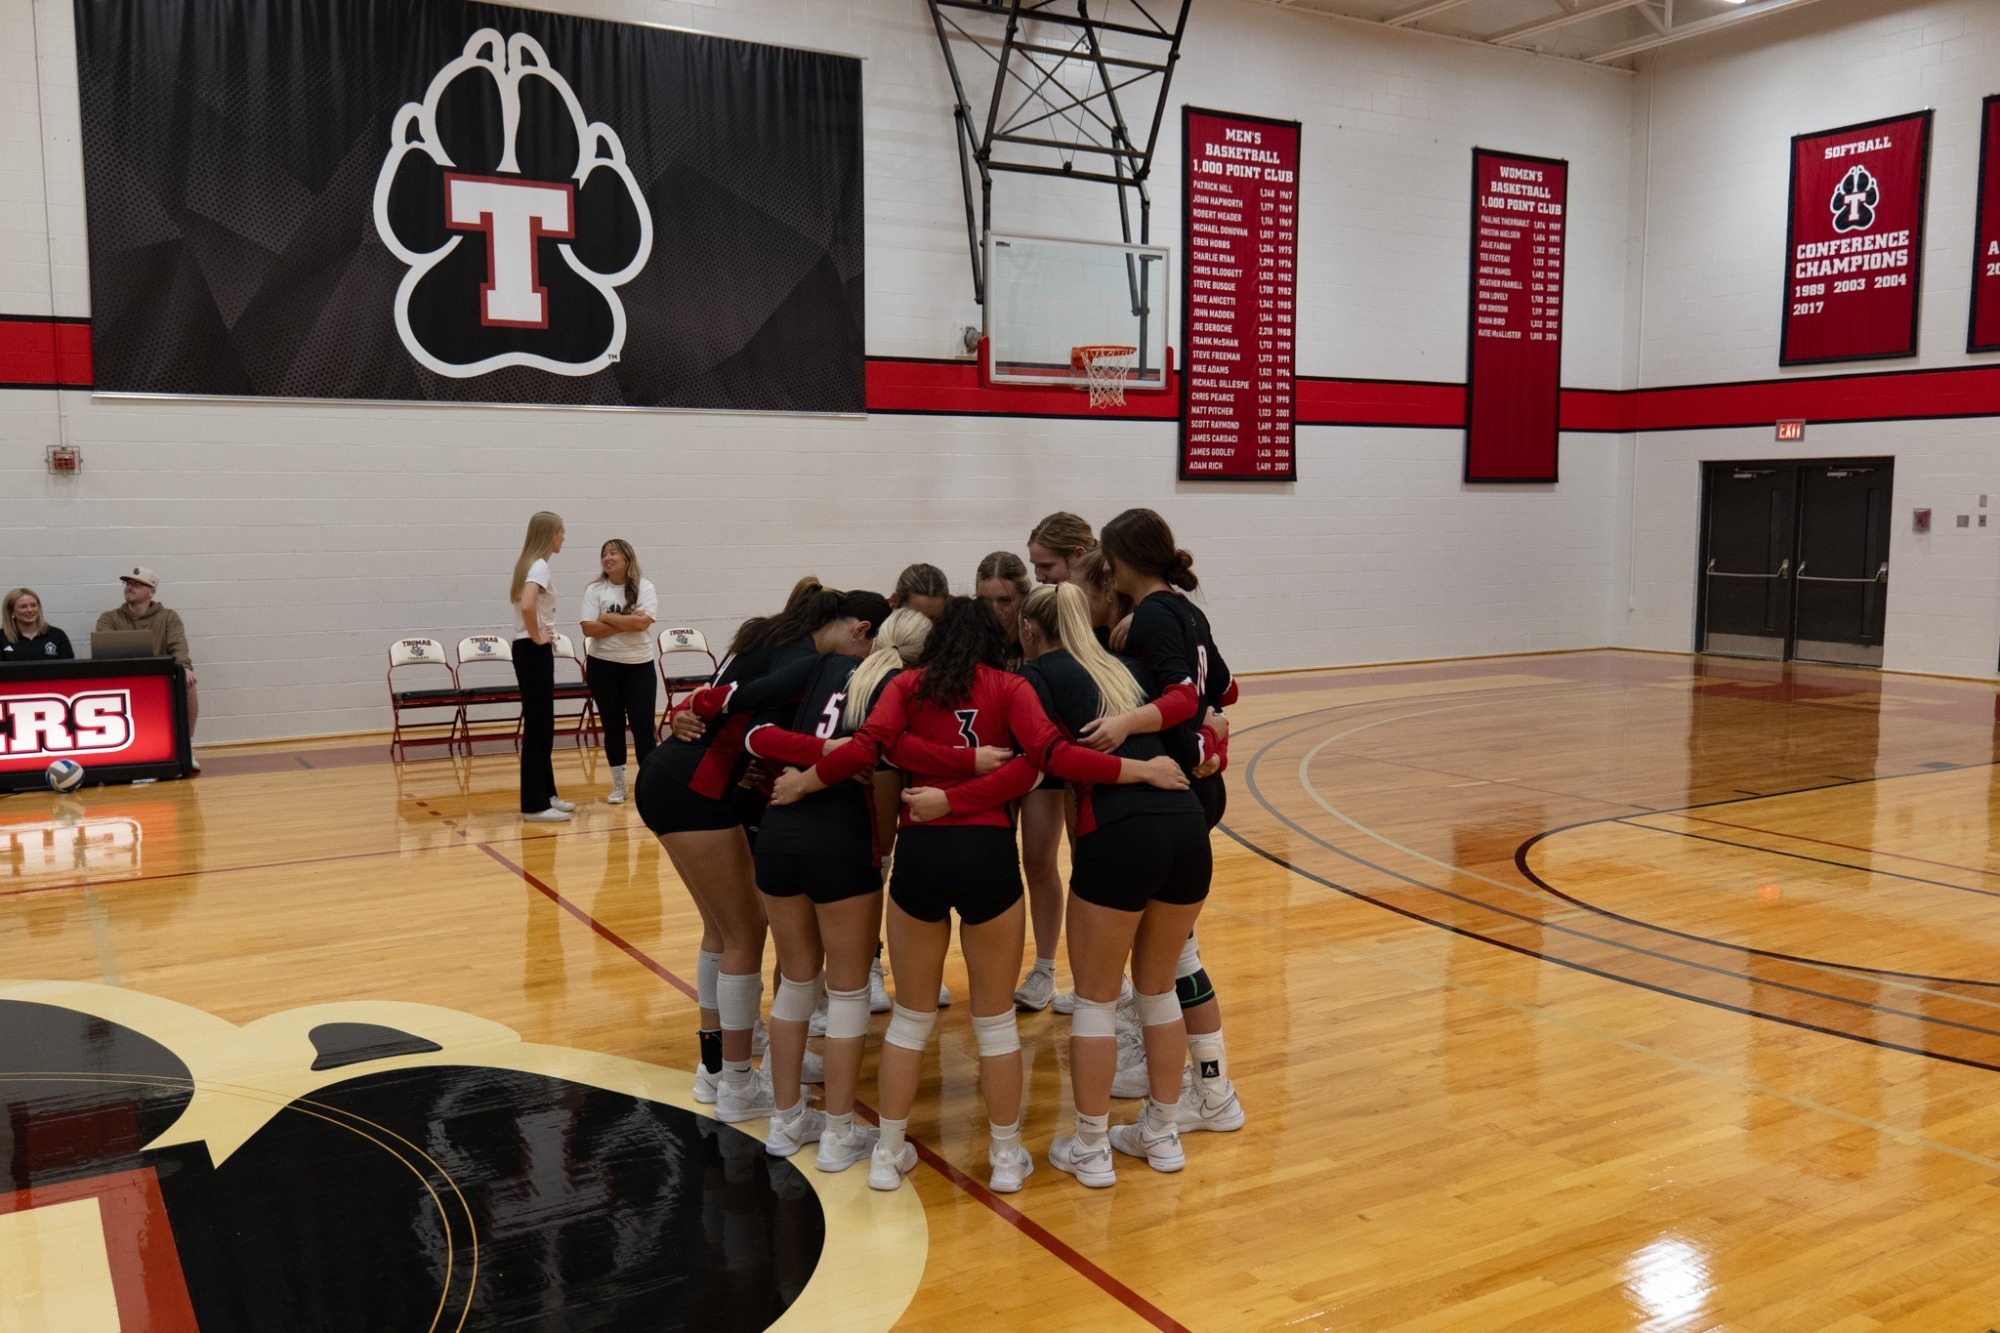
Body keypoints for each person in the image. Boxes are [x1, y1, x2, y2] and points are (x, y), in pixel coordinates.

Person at [771, 596, 1188, 1195]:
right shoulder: (1011, 687)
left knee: (910, 1019)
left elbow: (869, 748)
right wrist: (1141, 770)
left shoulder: (908, 685)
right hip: (988, 854)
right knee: (994, 1024)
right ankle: (1005, 1155)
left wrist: (809, 779)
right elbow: (1048, 761)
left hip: (920, 853)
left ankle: (887, 1153)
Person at [1014, 581, 1210, 1186]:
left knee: (1097, 1000)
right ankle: (1162, 1131)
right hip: (1188, 829)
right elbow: (1194, 716)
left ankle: (1093, 1147)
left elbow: (1053, 758)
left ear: (1029, 627)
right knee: (1158, 991)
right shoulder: (1129, 670)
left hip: (1119, 833)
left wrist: (1134, 769)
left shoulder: (1035, 676)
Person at [637, 584, 840, 1121]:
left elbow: (720, 700)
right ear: (844, 625)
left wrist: (688, 707)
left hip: (680, 778)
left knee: (722, 932)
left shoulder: (763, 634)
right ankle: (738, 1084)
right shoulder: (800, 660)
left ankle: (717, 1071)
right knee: (746, 932)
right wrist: (834, 752)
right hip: (695, 786)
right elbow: (748, 717)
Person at [1084, 508, 1245, 1135]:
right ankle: (1207, 1088)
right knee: (1177, 954)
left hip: (1176, 786)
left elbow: (1184, 693)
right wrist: (1207, 722)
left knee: (1175, 960)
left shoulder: (1153, 613)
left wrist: (1130, 720)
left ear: (1117, 561)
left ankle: (1210, 1093)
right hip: (1199, 785)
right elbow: (1224, 690)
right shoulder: (1187, 610)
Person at [1014, 513, 1098, 1013]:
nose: (1039, 576)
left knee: (1092, 869)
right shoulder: (1034, 622)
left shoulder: (1108, 614)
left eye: (1046, 565)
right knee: (1039, 860)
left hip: (1086, 762)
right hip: (1049, 761)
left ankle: (1109, 981)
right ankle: (1047, 969)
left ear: (1078, 557)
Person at [579, 539, 658, 805]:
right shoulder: (595, 590)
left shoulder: (645, 587)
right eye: (604, 553)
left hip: (639, 667)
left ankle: (649, 784)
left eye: (613, 553)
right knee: (612, 726)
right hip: (603, 666)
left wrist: (607, 618)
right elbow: (589, 629)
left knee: (643, 727)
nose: (607, 557)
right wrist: (628, 622)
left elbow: (643, 624)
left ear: (626, 558)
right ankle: (619, 784)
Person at [96, 568, 197, 768]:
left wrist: (184, 667)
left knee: (188, 683)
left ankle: (186, 746)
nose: (129, 588)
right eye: (127, 584)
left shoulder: (169, 617)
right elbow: (104, 651)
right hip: (122, 679)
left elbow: (179, 647)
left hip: (160, 679)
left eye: (136, 584)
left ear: (151, 591)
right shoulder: (109, 618)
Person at [509, 513, 570, 823]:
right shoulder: (540, 565)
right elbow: (528, 605)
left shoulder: (531, 564)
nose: (563, 537)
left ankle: (547, 794)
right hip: (532, 650)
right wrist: (537, 636)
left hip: (530, 650)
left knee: (543, 724)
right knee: (539, 726)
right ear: (550, 534)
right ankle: (534, 805)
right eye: (561, 532)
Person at [974, 551, 1030, 666]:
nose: (994, 611)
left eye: (1005, 601)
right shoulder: (968, 644)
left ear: (1025, 598)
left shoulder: (1038, 645)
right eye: (984, 601)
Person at [1, 588, 74, 662]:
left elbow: (69, 669)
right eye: (23, 607)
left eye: (33, 605)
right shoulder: (2, 638)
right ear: (11, 611)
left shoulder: (57, 635)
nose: (30, 610)